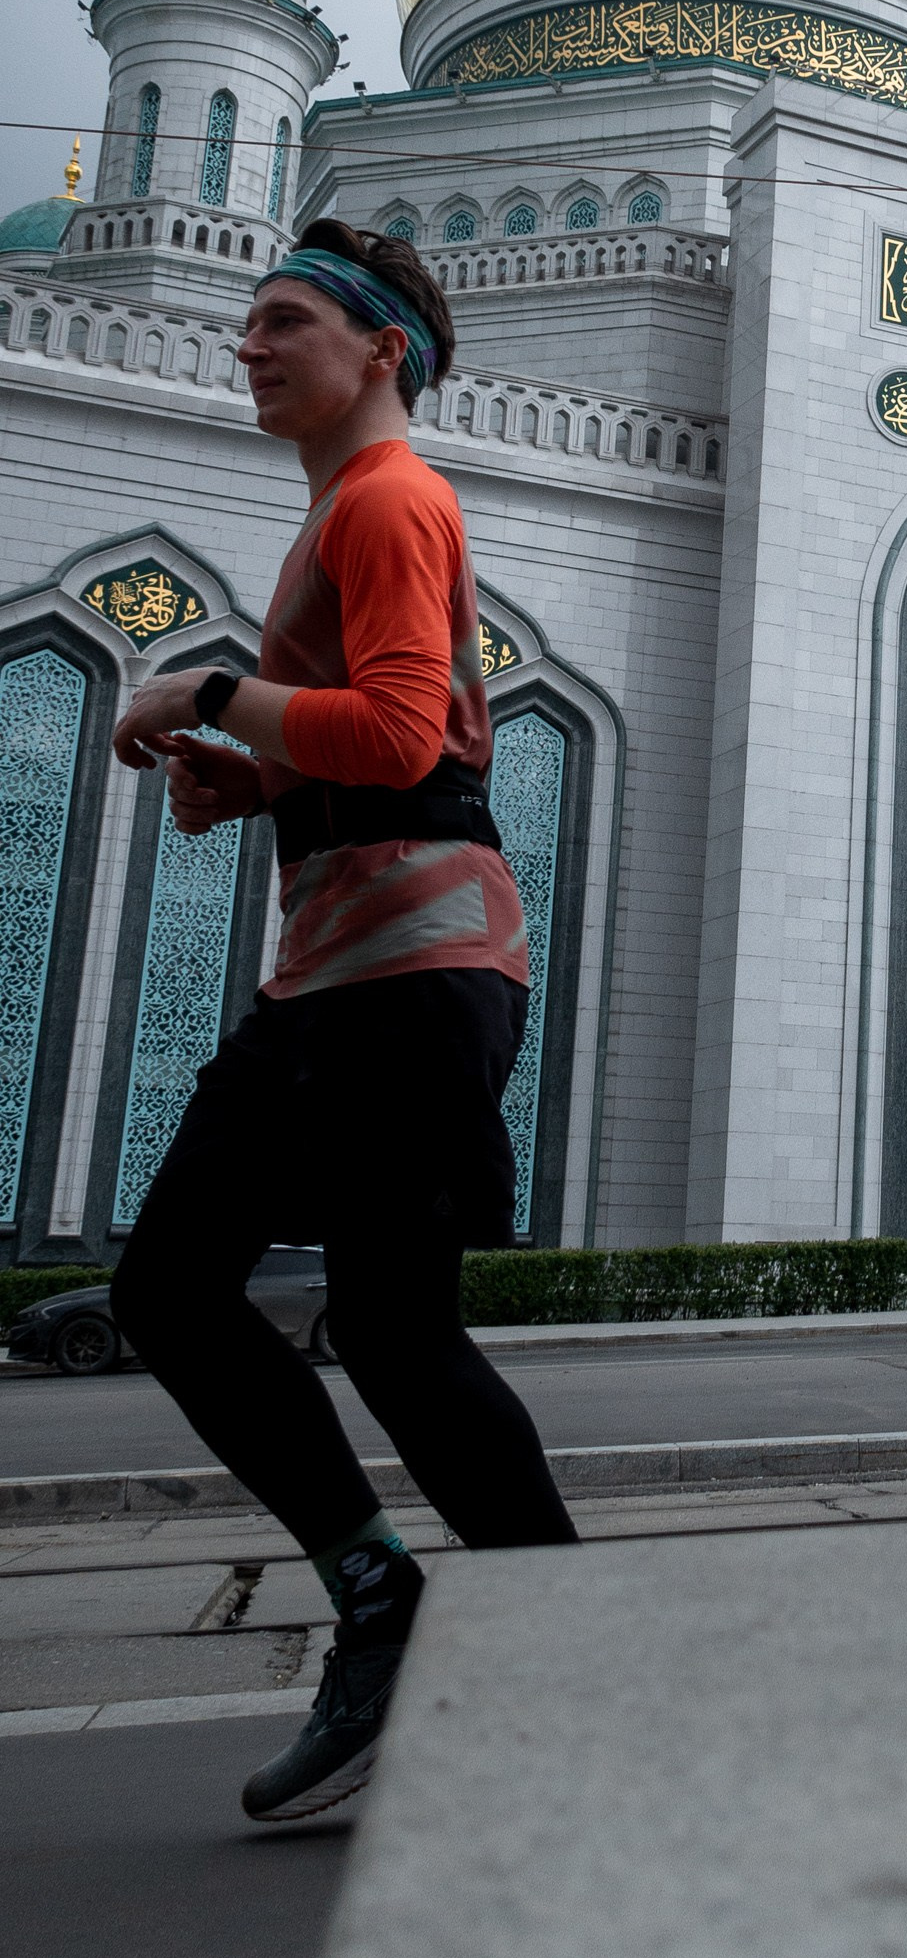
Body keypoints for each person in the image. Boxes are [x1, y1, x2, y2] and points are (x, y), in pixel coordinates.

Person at [108, 221, 578, 1821]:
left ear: (382, 351)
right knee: (208, 1295)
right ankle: (399, 1599)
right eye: (245, 321)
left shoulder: (388, 498)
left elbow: (393, 737)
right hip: (348, 960)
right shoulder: (348, 508)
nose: (250, 344)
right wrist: (257, 778)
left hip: (409, 966)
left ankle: (540, 1653)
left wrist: (208, 694)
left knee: (347, 1317)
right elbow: (404, 741)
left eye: (285, 321)